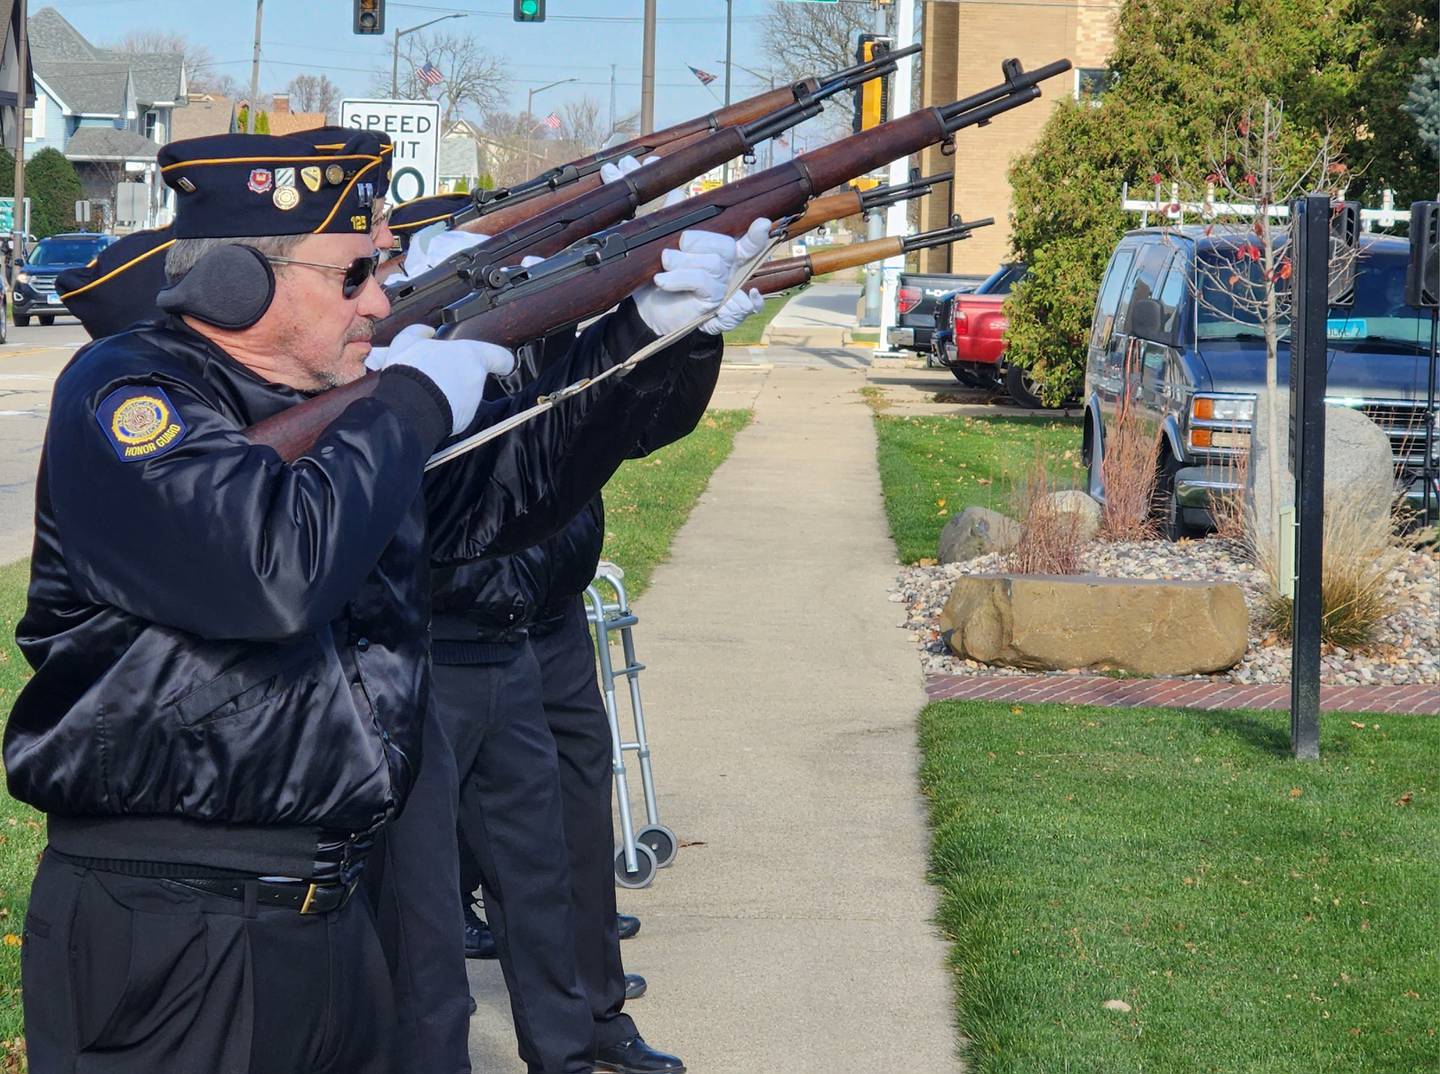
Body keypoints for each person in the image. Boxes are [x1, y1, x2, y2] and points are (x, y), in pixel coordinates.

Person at [5, 129, 753, 1074]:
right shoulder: (129, 393)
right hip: (174, 925)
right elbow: (270, 568)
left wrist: (652, 336)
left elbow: (507, 500)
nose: (384, 302)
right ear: (238, 282)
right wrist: (407, 406)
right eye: (354, 275)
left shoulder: (343, 405)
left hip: (333, 907)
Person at [380, 173, 766, 1074]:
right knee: (428, 894)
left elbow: (629, 425)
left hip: (539, 621)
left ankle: (584, 1035)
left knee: (562, 856)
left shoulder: (539, 331)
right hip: (442, 635)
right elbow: (483, 493)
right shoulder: (416, 346)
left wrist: (686, 339)